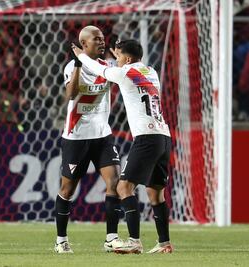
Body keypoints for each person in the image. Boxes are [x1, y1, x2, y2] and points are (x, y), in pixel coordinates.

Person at [72, 39, 173, 254]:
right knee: (156, 193)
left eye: (118, 57)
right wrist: (118, 55)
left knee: (123, 187)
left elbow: (99, 68)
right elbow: (122, 65)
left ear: (127, 59)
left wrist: (80, 55)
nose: (115, 61)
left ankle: (134, 241)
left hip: (146, 137)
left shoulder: (125, 73)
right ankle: (164, 243)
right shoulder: (151, 72)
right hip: (163, 136)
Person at [54, 25, 122, 254]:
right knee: (67, 189)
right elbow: (71, 94)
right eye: (96, 39)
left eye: (103, 39)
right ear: (84, 44)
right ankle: (61, 240)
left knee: (115, 183)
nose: (102, 42)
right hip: (77, 137)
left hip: (102, 136)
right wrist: (79, 63)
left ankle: (111, 238)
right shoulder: (72, 67)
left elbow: (124, 75)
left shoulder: (107, 67)